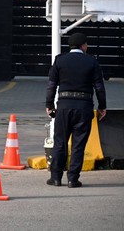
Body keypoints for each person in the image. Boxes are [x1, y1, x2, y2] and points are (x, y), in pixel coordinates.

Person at [45, 32, 107, 188]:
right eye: (86, 44)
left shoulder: (60, 60)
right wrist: (102, 106)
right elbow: (99, 87)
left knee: (60, 143)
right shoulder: (91, 61)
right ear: (83, 46)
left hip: (64, 106)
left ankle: (56, 177)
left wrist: (50, 105)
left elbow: (51, 85)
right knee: (78, 144)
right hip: (84, 107)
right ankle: (73, 179)